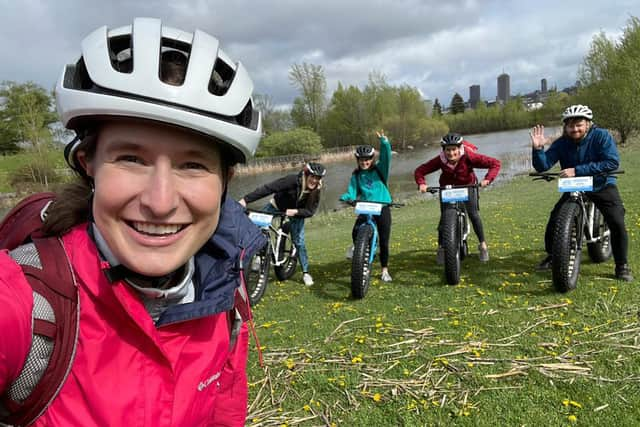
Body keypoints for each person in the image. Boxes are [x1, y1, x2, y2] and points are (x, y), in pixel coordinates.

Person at [0, 18, 267, 426]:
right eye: (131, 159)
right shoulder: (26, 304)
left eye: (192, 165)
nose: (160, 203)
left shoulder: (223, 280)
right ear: (88, 164)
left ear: (225, 181)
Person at [531, 104, 633, 281]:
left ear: (588, 124)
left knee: (616, 221)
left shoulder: (601, 136)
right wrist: (538, 150)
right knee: (555, 220)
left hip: (601, 184)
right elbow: (543, 166)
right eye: (570, 125)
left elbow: (611, 162)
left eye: (579, 124)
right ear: (566, 127)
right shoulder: (562, 143)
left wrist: (577, 170)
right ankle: (554, 255)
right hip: (575, 186)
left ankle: (622, 265)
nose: (574, 129)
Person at [414, 132, 501, 263]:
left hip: (468, 186)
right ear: (443, 150)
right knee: (444, 217)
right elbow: (420, 171)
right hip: (448, 189)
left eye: (454, 149)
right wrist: (422, 183)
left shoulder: (469, 156)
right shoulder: (440, 159)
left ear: (459, 148)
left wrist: (487, 180)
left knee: (473, 214)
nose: (451, 153)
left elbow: (495, 163)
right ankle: (442, 248)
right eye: (448, 150)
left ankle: (482, 245)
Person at [238, 162, 327, 286]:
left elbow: (310, 211)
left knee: (299, 242)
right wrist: (245, 200)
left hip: (296, 213)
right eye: (312, 176)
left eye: (318, 178)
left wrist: (296, 212)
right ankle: (258, 256)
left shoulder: (316, 191)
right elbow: (269, 188)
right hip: (277, 206)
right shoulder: (291, 180)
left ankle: (306, 272)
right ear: (306, 174)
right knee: (257, 227)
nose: (314, 180)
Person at [340, 130, 394, 282]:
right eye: (361, 160)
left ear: (372, 159)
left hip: (382, 207)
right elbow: (352, 191)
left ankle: (384, 270)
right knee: (355, 231)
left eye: (367, 160)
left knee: (384, 240)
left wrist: (384, 142)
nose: (364, 162)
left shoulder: (379, 169)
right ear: (357, 160)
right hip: (365, 207)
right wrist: (347, 197)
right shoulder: (356, 175)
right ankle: (362, 250)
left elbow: (386, 157)